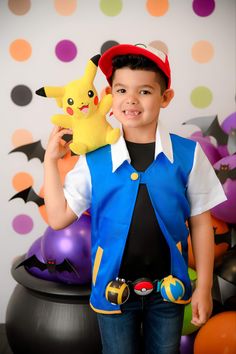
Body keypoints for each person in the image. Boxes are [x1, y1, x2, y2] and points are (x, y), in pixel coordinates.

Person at [44, 43, 227, 354]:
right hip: (114, 291)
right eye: (121, 90)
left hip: (170, 290)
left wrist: (205, 286)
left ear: (165, 97)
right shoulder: (94, 161)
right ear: (108, 96)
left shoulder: (188, 155)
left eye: (144, 91)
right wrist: (50, 162)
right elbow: (59, 218)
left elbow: (200, 223)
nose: (130, 100)